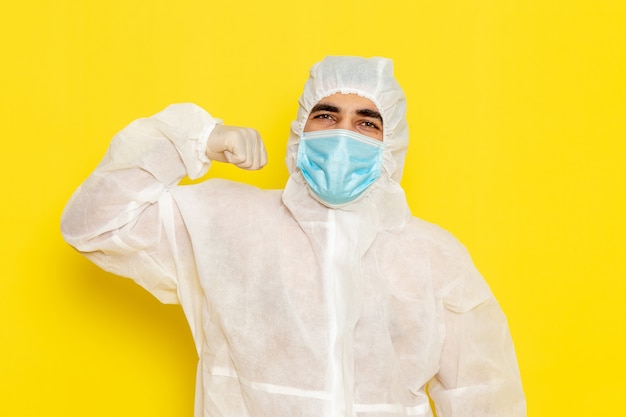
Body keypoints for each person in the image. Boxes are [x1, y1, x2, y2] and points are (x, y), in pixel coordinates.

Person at [61, 56, 526, 417]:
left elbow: (481, 393)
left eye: (367, 122)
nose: (344, 134)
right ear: (301, 128)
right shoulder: (227, 222)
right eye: (326, 115)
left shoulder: (431, 254)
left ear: (393, 142)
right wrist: (193, 142)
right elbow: (93, 225)